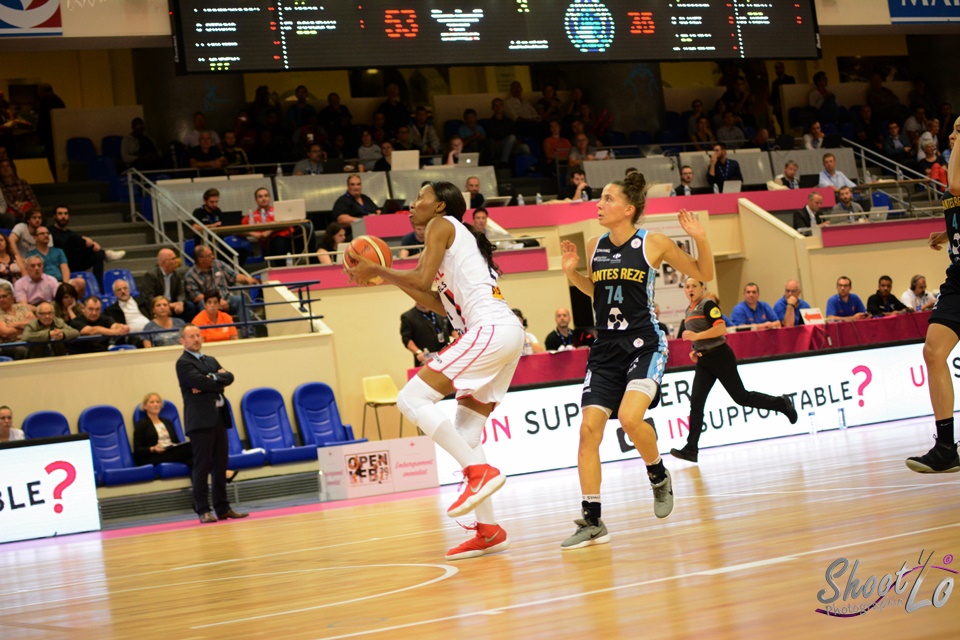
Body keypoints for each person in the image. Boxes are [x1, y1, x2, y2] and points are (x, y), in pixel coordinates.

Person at [345, 180, 523, 561]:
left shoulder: (443, 226)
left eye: (419, 198)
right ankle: (489, 530)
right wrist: (387, 276)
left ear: (440, 205)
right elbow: (437, 302)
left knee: (411, 397)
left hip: (489, 330)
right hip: (504, 334)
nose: (412, 206)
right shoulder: (451, 246)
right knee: (466, 432)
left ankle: (479, 472)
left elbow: (422, 280)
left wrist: (377, 267)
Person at [556, 172, 713, 549]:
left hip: (645, 343)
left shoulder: (652, 243)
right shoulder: (594, 245)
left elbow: (704, 273)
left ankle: (658, 475)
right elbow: (598, 292)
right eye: (600, 198)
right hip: (606, 347)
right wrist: (571, 274)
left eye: (608, 199)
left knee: (629, 418)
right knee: (588, 430)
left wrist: (701, 239)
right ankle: (592, 519)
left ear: (628, 209)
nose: (599, 204)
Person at [670, 278, 797, 463]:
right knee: (696, 403)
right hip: (704, 361)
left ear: (702, 288)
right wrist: (696, 349)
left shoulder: (708, 304)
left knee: (741, 398)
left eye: (694, 286)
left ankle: (781, 403)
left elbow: (721, 329)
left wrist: (697, 336)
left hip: (720, 357)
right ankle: (691, 448)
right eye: (687, 286)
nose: (690, 289)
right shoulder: (688, 311)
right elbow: (702, 336)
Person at [906, 116, 960, 473]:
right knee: (933, 351)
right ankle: (945, 447)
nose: (952, 135)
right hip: (959, 278)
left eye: (958, 129)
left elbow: (955, 185)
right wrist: (946, 235)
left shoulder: (956, 168)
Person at [176, 324, 249, 523]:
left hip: (218, 417)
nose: (196, 339)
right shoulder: (183, 363)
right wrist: (214, 381)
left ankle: (223, 508)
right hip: (200, 421)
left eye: (198, 335)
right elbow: (203, 383)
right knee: (202, 466)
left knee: (220, 464)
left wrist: (212, 378)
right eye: (191, 336)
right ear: (183, 341)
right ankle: (203, 510)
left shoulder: (210, 360)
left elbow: (230, 377)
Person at [50, 205, 124, 288]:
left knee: (98, 255)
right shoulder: (49, 231)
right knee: (73, 239)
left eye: (65, 214)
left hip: (75, 262)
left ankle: (99, 288)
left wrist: (89, 242)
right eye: (60, 214)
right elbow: (63, 244)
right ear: (54, 216)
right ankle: (106, 254)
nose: (63, 216)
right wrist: (86, 240)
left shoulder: (70, 232)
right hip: (61, 265)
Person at [183, 244, 258, 318]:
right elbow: (196, 296)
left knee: (240, 299)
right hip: (209, 303)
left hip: (227, 300)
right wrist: (217, 302)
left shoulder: (218, 264)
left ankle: (248, 330)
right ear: (200, 260)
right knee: (203, 303)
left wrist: (247, 279)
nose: (213, 257)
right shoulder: (190, 275)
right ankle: (208, 329)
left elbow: (234, 276)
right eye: (209, 256)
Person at [140, 248, 195, 321]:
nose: (177, 261)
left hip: (173, 304)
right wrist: (166, 305)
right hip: (159, 305)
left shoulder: (176, 274)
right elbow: (148, 297)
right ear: (165, 262)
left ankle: (183, 328)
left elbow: (181, 292)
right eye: (173, 259)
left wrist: (180, 303)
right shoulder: (151, 275)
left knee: (190, 307)